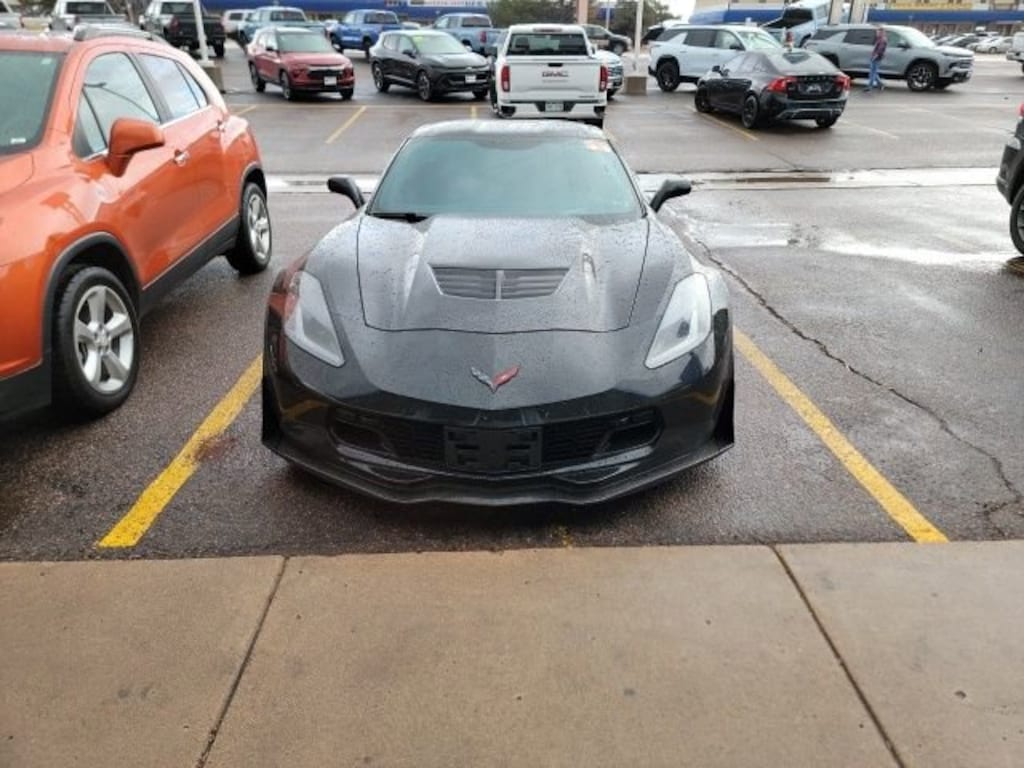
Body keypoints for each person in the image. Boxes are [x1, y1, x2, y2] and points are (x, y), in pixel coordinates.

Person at [866, 26, 887, 92]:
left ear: (882, 33)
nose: (877, 33)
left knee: (872, 73)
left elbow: (880, 50)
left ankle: (870, 87)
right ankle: (881, 84)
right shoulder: (879, 39)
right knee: (873, 72)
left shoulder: (883, 40)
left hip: (877, 58)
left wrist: (874, 56)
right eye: (877, 32)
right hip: (875, 57)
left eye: (878, 32)